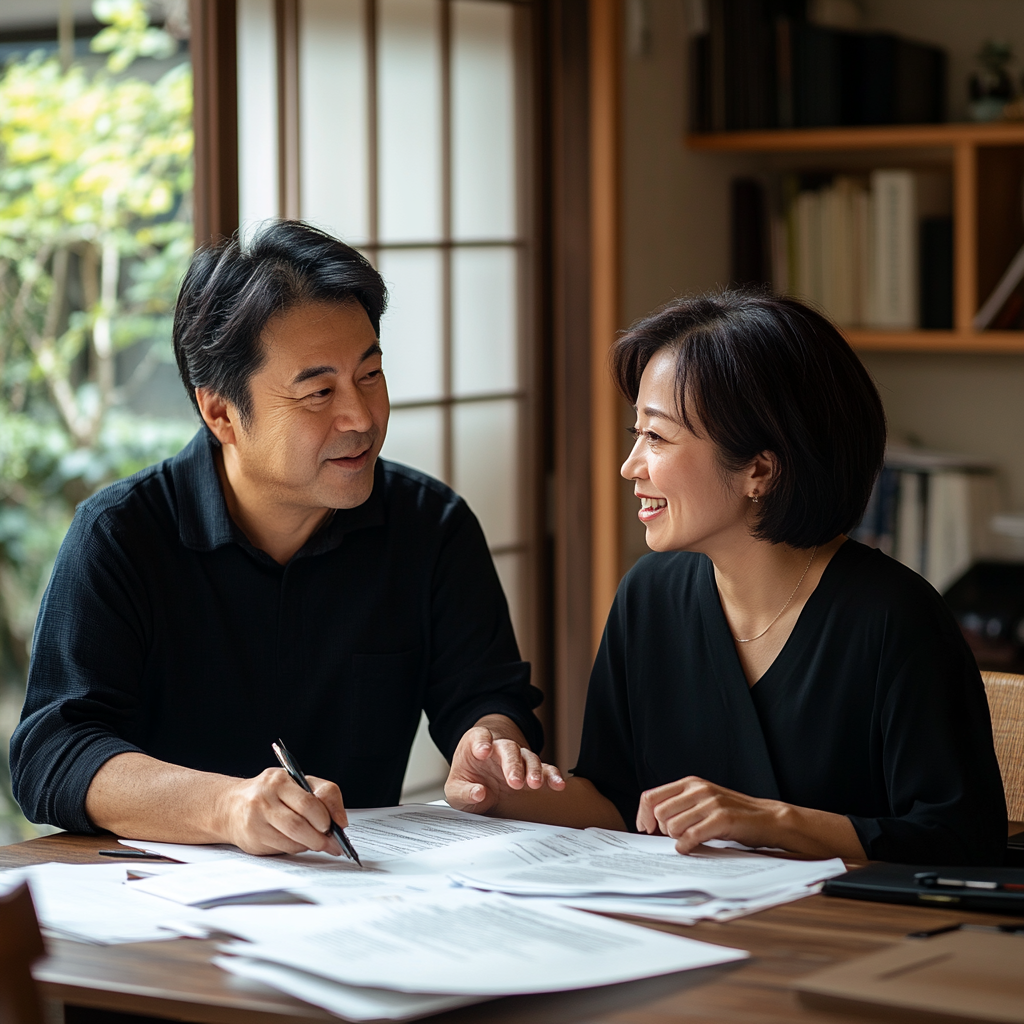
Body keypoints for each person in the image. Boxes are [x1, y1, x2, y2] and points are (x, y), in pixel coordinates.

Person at [11, 220, 562, 855]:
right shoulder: (121, 536)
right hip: (162, 912)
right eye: (318, 392)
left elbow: (489, 698)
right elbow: (52, 750)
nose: (359, 418)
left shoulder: (430, 526)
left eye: (371, 374)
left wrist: (488, 744)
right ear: (221, 413)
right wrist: (225, 808)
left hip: (363, 897)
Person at [450, 291, 1007, 866]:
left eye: (658, 437)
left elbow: (961, 839)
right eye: (634, 433)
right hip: (692, 928)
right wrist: (499, 793)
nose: (630, 465)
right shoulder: (650, 596)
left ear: (758, 470)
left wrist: (773, 821)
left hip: (853, 942)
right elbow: (616, 801)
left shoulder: (895, 617)